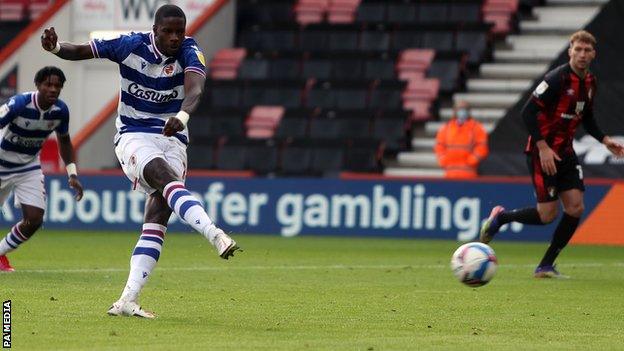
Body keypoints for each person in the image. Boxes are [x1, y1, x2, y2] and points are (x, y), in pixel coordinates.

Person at [41, 4, 240, 318]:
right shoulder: (130, 45)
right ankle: (214, 233)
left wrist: (183, 116)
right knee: (164, 178)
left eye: (180, 31)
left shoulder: (190, 50)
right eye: (169, 31)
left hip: (173, 135)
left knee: (158, 214)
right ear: (155, 30)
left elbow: (196, 89)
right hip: (133, 135)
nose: (175, 37)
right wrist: (55, 48)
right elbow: (81, 51)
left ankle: (127, 300)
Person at [479, 30, 624, 278]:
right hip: (541, 152)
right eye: (577, 49)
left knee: (576, 208)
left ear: (593, 54)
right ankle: (501, 218)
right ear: (570, 51)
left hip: (566, 152)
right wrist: (543, 147)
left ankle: (545, 265)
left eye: (587, 50)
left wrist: (604, 140)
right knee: (547, 215)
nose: (582, 54)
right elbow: (527, 112)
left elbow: (586, 116)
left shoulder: (590, 83)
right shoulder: (556, 79)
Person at [0, 66, 84, 272]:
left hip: (28, 167)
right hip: (1, 163)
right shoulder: (19, 104)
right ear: (38, 85)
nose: (53, 89)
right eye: (48, 84)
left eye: (58, 86)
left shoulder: (60, 112)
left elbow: (64, 141)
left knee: (35, 219)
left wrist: (72, 173)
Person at [434, 100, 489, 178]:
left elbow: (482, 147)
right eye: (459, 109)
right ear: (455, 110)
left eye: (464, 109)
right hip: (450, 173)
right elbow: (439, 146)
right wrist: (444, 160)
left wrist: (472, 160)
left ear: (469, 111)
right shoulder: (446, 128)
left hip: (469, 173)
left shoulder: (476, 128)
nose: (462, 111)